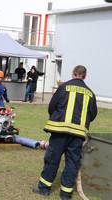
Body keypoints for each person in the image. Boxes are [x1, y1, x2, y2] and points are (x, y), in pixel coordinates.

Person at [33, 65, 97, 200]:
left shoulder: (63, 87)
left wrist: (57, 117)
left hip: (60, 131)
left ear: (73, 73)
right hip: (78, 135)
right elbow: (93, 114)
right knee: (72, 163)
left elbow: (52, 107)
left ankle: (44, 189)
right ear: (85, 76)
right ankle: (66, 194)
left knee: (52, 159)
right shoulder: (90, 93)